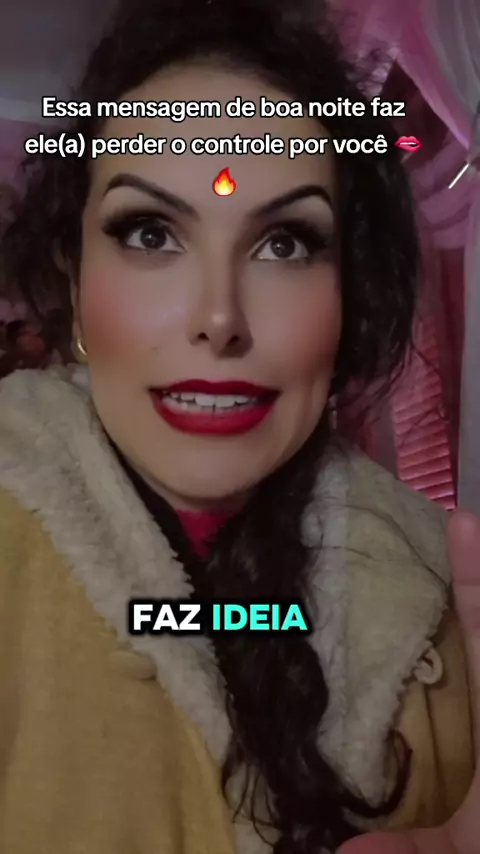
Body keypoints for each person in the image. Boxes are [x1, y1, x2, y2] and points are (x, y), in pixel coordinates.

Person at [0, 0, 478, 853]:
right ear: (73, 282)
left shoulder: (439, 601)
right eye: (151, 232)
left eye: (286, 244)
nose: (220, 318)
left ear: (348, 299)